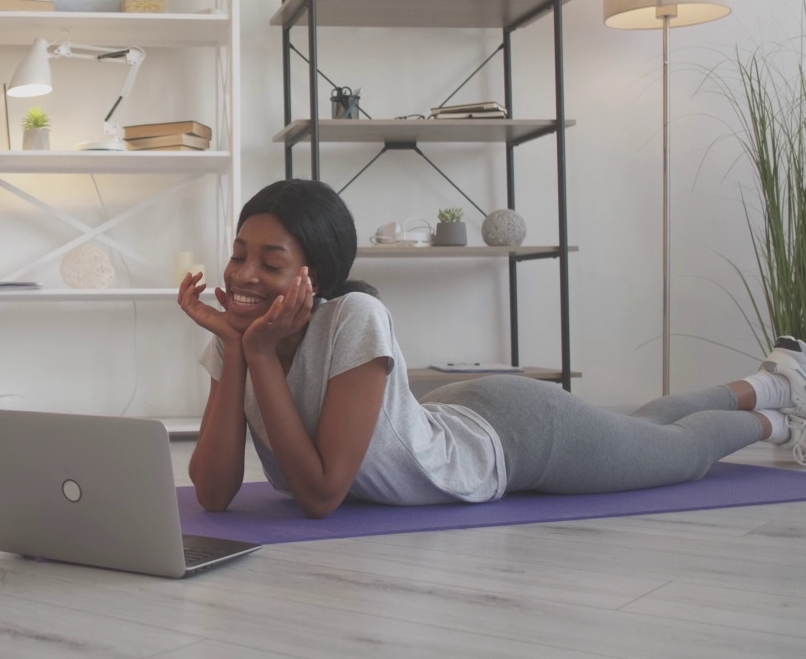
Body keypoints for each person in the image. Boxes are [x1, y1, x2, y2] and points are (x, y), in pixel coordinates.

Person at [176, 179, 806, 518]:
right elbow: (212, 493)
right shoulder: (240, 339)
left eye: (271, 263)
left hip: (517, 437)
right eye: (238, 255)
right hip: (454, 411)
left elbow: (318, 498)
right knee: (641, 428)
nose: (243, 276)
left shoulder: (355, 318)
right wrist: (238, 353)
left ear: (317, 276)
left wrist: (257, 358)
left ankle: (776, 413)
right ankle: (778, 381)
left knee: (676, 451)